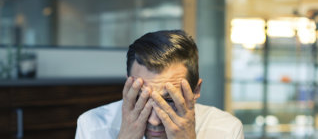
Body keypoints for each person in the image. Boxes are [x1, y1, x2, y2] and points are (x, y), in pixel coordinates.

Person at [75, 30, 244, 139]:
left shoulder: (225, 130)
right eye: (142, 98)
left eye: (170, 101)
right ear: (128, 87)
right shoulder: (93, 126)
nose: (155, 121)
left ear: (196, 90)